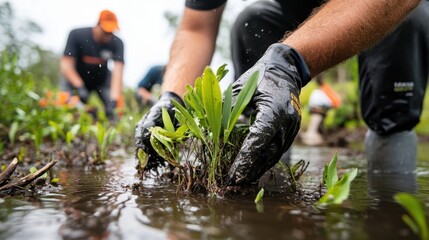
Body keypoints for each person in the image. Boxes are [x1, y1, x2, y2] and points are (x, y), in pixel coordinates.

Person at [136, 0, 425, 186]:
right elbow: (196, 27)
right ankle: (268, 187)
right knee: (251, 22)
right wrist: (171, 97)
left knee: (408, 27)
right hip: (297, 13)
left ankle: (392, 204)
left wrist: (290, 62)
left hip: (382, 7)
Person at [60, 9, 125, 120]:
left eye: (111, 32)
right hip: (76, 78)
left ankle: (110, 123)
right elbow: (66, 66)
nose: (108, 35)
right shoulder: (77, 35)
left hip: (101, 81)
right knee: (68, 106)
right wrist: (79, 86)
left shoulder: (117, 43)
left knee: (117, 108)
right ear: (97, 25)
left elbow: (118, 71)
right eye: (106, 31)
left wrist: (114, 100)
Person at [300, 74, 342, 146]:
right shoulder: (321, 91)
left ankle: (314, 139)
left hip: (316, 110)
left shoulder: (318, 91)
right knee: (314, 127)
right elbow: (329, 102)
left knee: (315, 126)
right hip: (318, 111)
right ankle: (312, 139)